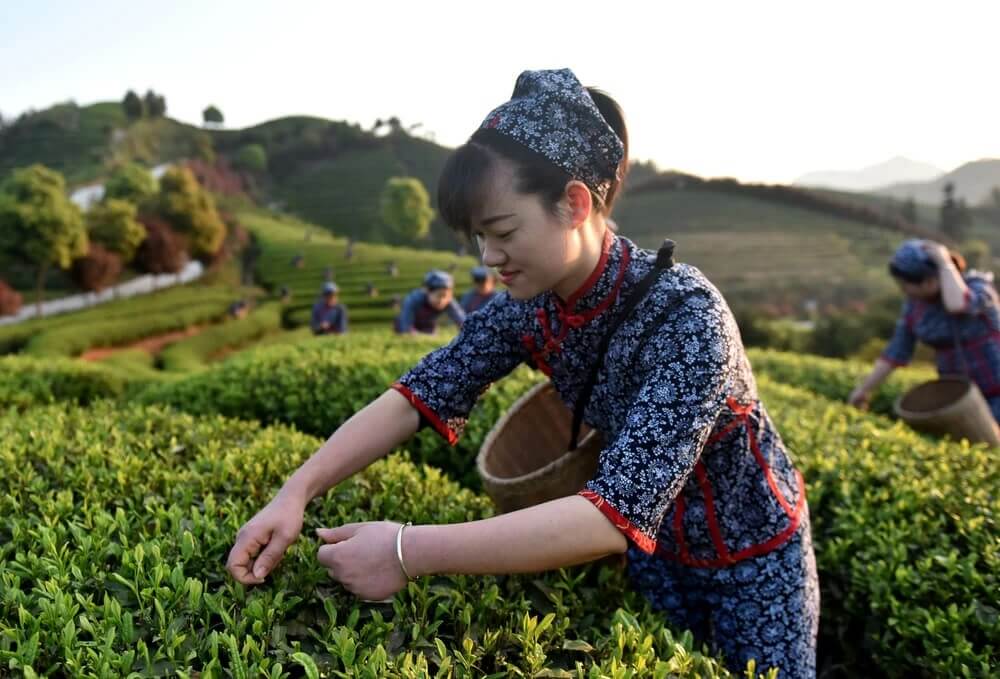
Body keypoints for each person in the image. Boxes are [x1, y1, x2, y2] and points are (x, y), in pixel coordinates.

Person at [227, 69, 818, 677]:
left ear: (575, 203)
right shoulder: (529, 306)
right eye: (479, 236)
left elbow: (611, 514)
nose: (489, 257)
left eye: (503, 231)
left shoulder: (686, 315)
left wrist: (406, 551)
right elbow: (417, 394)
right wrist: (294, 493)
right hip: (657, 553)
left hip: (752, 555)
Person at [849, 239, 1000, 421]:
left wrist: (944, 263)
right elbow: (896, 352)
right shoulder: (915, 307)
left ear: (928, 281)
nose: (904, 291)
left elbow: (958, 304)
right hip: (961, 399)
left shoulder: (977, 287)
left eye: (906, 285)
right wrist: (864, 390)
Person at [393, 270, 466, 334]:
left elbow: (462, 321)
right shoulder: (414, 299)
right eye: (439, 295)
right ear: (427, 291)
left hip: (428, 326)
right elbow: (406, 326)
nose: (442, 300)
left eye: (446, 296)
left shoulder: (449, 301)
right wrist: (413, 334)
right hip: (406, 326)